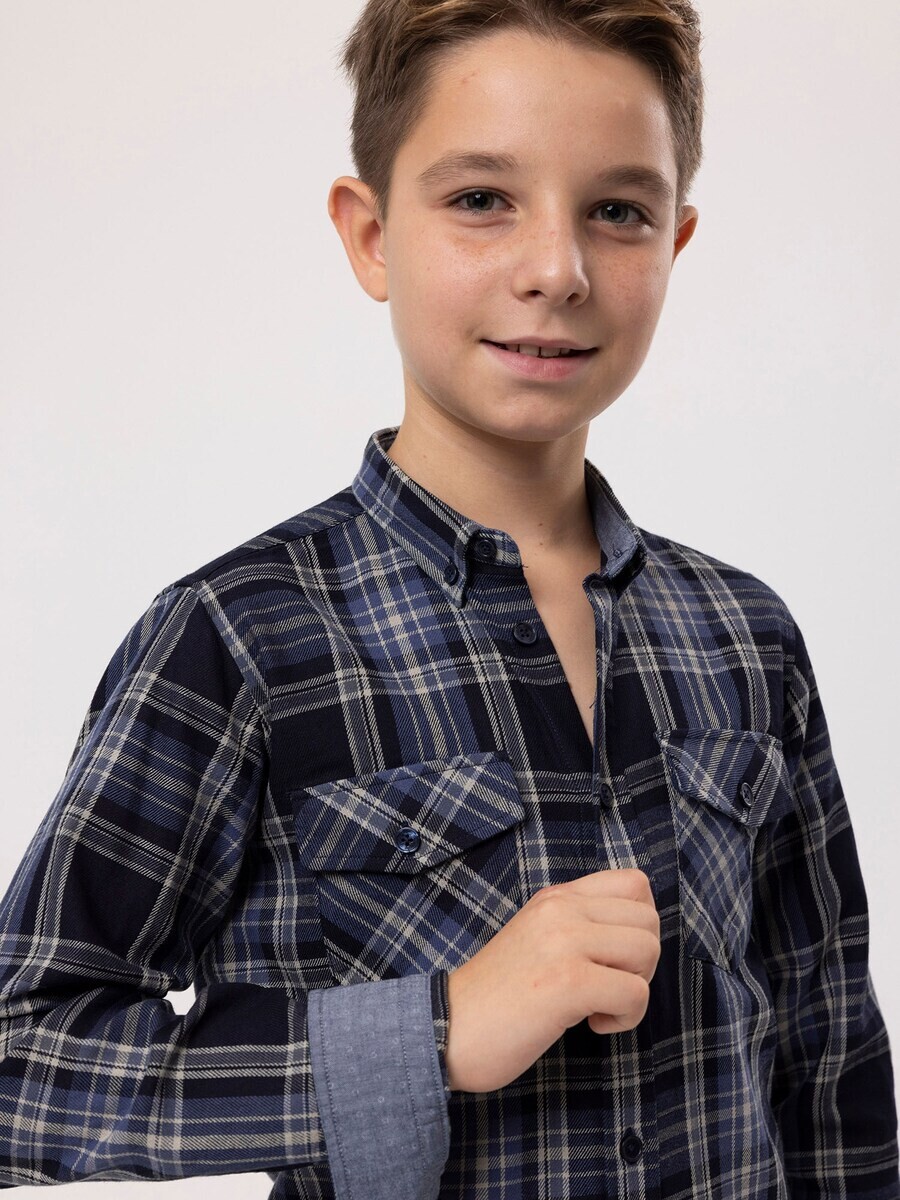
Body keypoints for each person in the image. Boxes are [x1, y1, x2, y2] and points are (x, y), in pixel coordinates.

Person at [1, 0, 897, 1196]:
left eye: (618, 212)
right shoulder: (237, 640)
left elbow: (831, 1071)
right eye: (482, 198)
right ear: (371, 236)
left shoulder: (746, 635)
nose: (557, 270)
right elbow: (21, 1059)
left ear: (676, 245)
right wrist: (431, 1033)